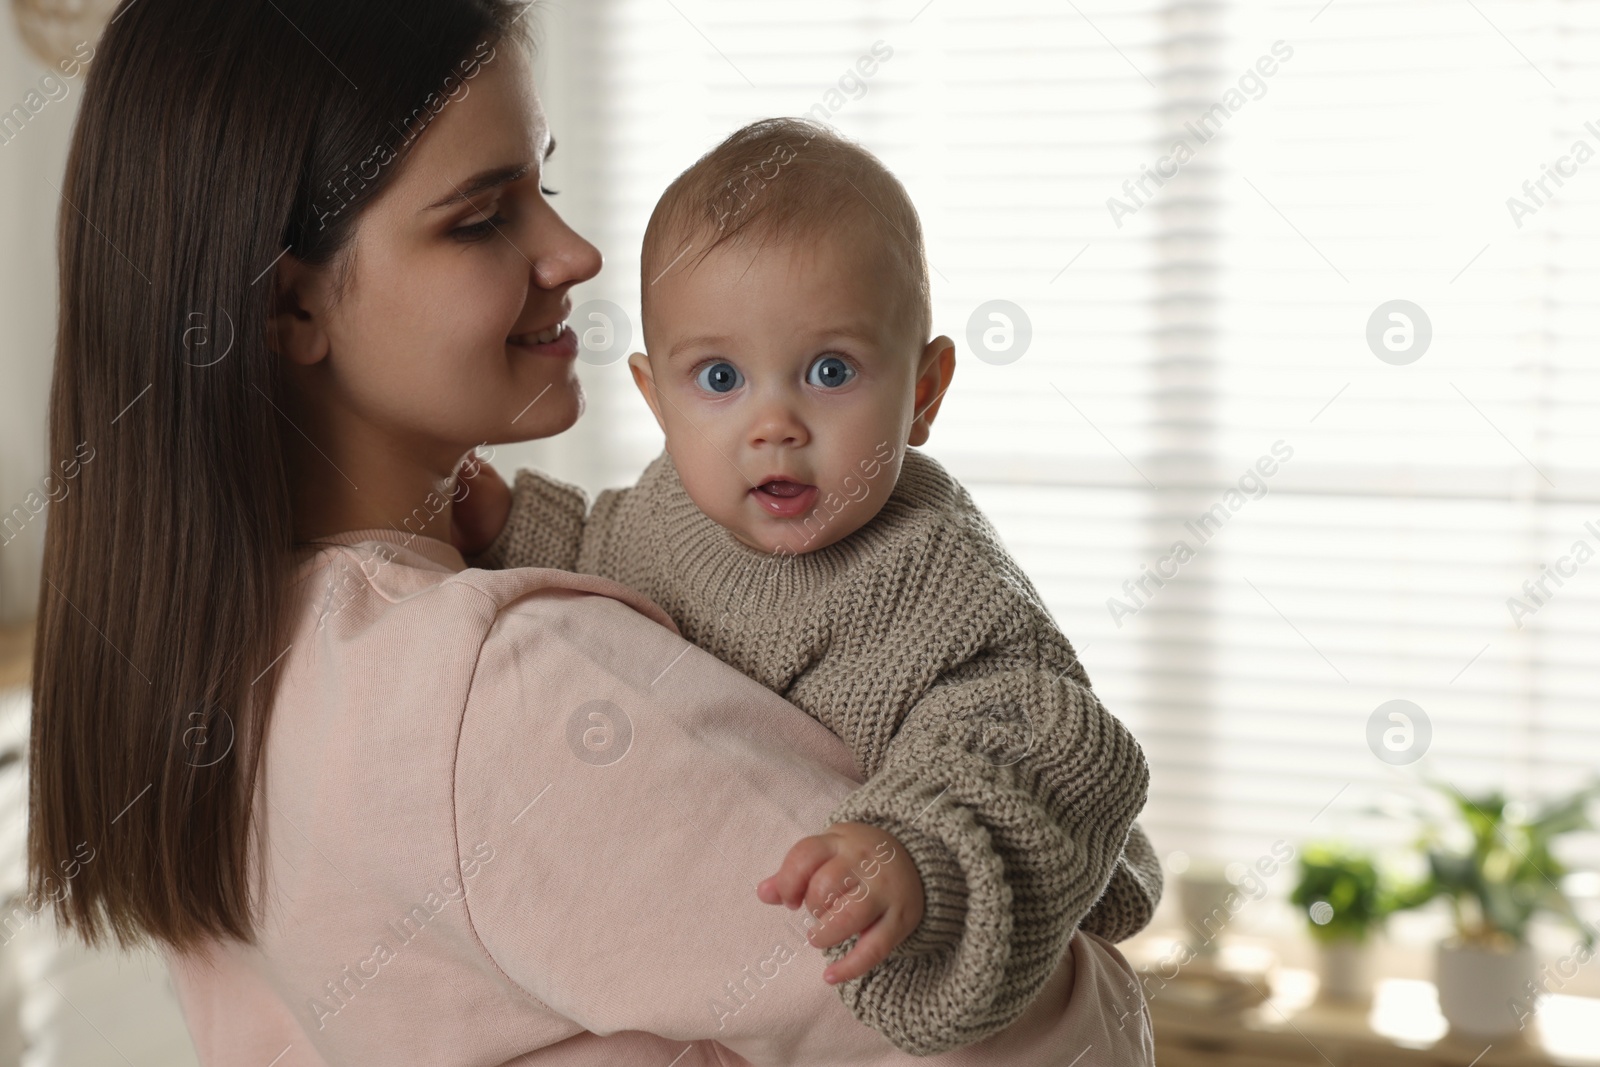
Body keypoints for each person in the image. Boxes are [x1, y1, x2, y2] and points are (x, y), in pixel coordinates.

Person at [25, 0, 1156, 1063]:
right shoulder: (506, 694)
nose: (574, 254)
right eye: (479, 219)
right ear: (292, 308)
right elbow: (1067, 1036)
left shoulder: (204, 649)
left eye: (546, 182)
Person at [465, 118, 1162, 1055]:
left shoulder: (935, 573)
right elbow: (598, 558)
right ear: (654, 399)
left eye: (830, 371)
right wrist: (499, 516)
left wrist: (917, 851)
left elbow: (1046, 741)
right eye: (719, 377)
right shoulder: (666, 513)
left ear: (924, 391)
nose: (775, 424)